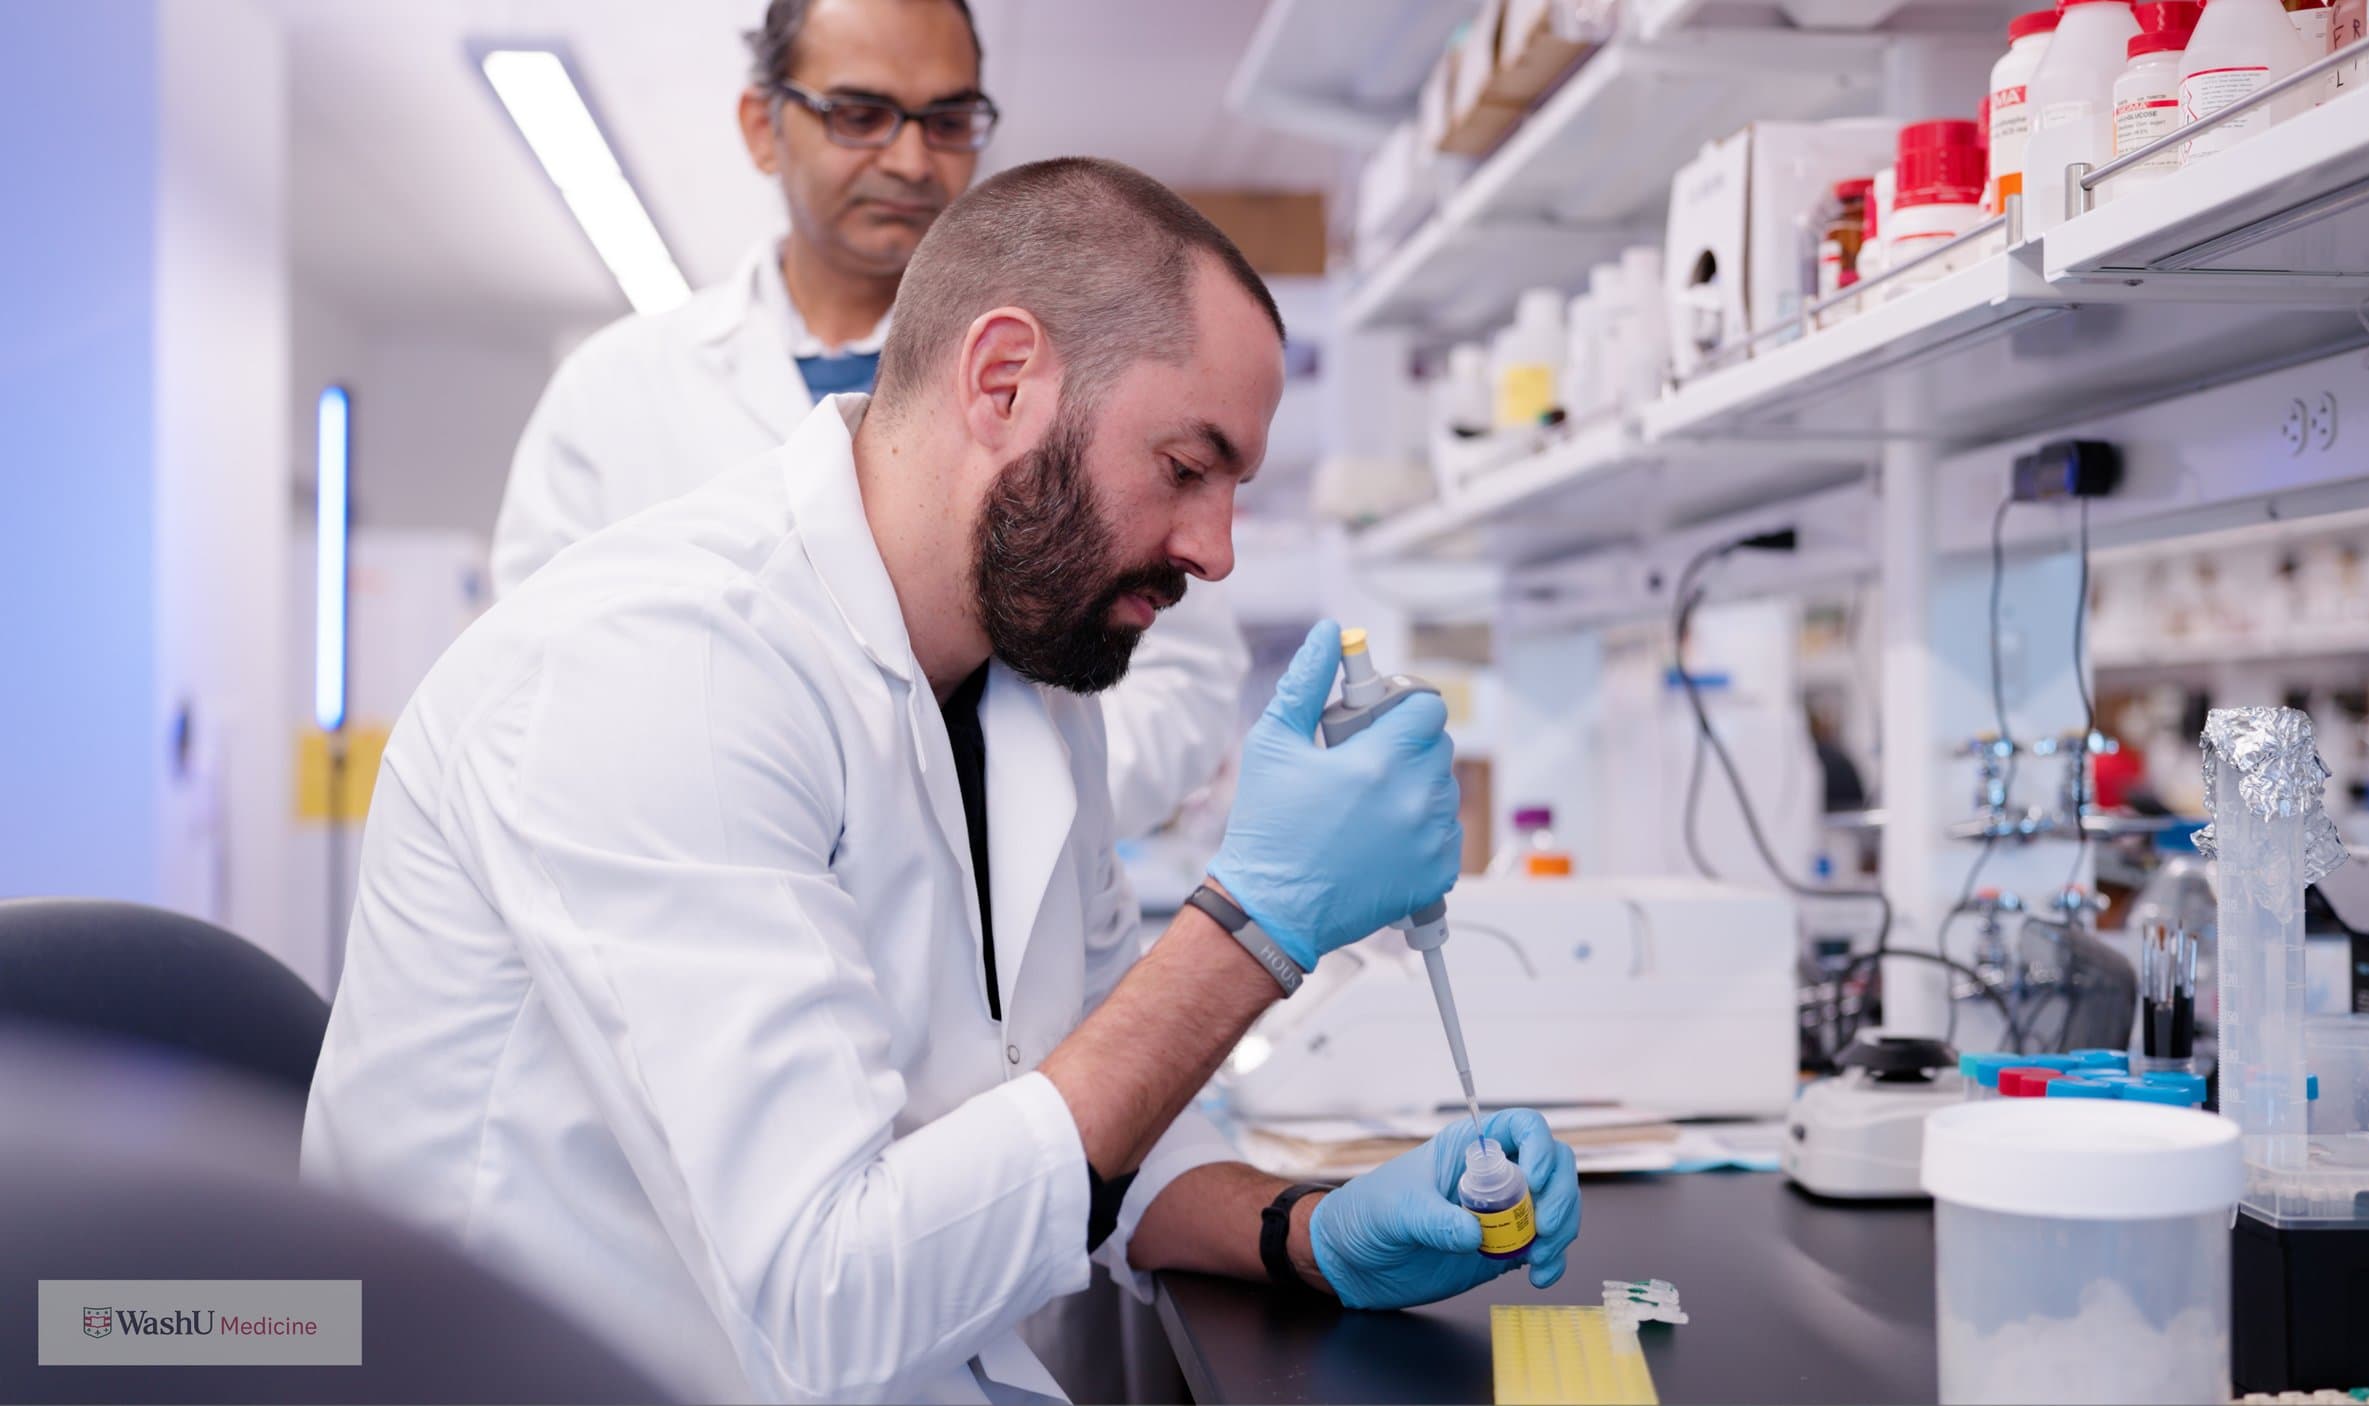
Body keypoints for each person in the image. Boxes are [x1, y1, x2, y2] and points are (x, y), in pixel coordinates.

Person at [304, 158, 1581, 1404]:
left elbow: (1095, 1086)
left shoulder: (1032, 679)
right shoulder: (662, 666)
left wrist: (1301, 1230)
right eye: (1186, 469)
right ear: (1003, 379)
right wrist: (1255, 925)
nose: (1215, 550)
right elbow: (825, 1301)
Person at [491, 0, 1249, 839]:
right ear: (763, 127)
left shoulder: (1072, 380)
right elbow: (534, 681)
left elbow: (1184, 675)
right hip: (703, 859)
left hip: (992, 884)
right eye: (859, 114)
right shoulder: (615, 389)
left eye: (948, 120)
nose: (912, 159)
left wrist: (999, 808)